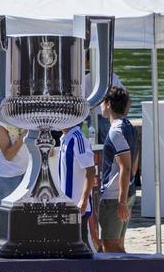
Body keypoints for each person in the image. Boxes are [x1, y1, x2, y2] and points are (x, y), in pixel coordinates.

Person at [97, 87, 138, 253]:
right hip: (127, 192)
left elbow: (126, 167)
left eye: (101, 102)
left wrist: (121, 201)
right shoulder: (130, 127)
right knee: (118, 246)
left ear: (107, 104)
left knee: (110, 247)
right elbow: (134, 164)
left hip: (115, 197)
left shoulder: (116, 132)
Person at [58, 120, 97, 248]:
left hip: (77, 206)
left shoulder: (77, 138)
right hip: (67, 205)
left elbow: (91, 170)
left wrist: (83, 201)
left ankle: (92, 268)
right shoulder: (65, 138)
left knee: (81, 245)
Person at [0, 120, 33, 203]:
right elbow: (8, 155)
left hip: (30, 175)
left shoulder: (30, 122)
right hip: (9, 179)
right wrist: (22, 137)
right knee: (9, 215)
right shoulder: (0, 126)